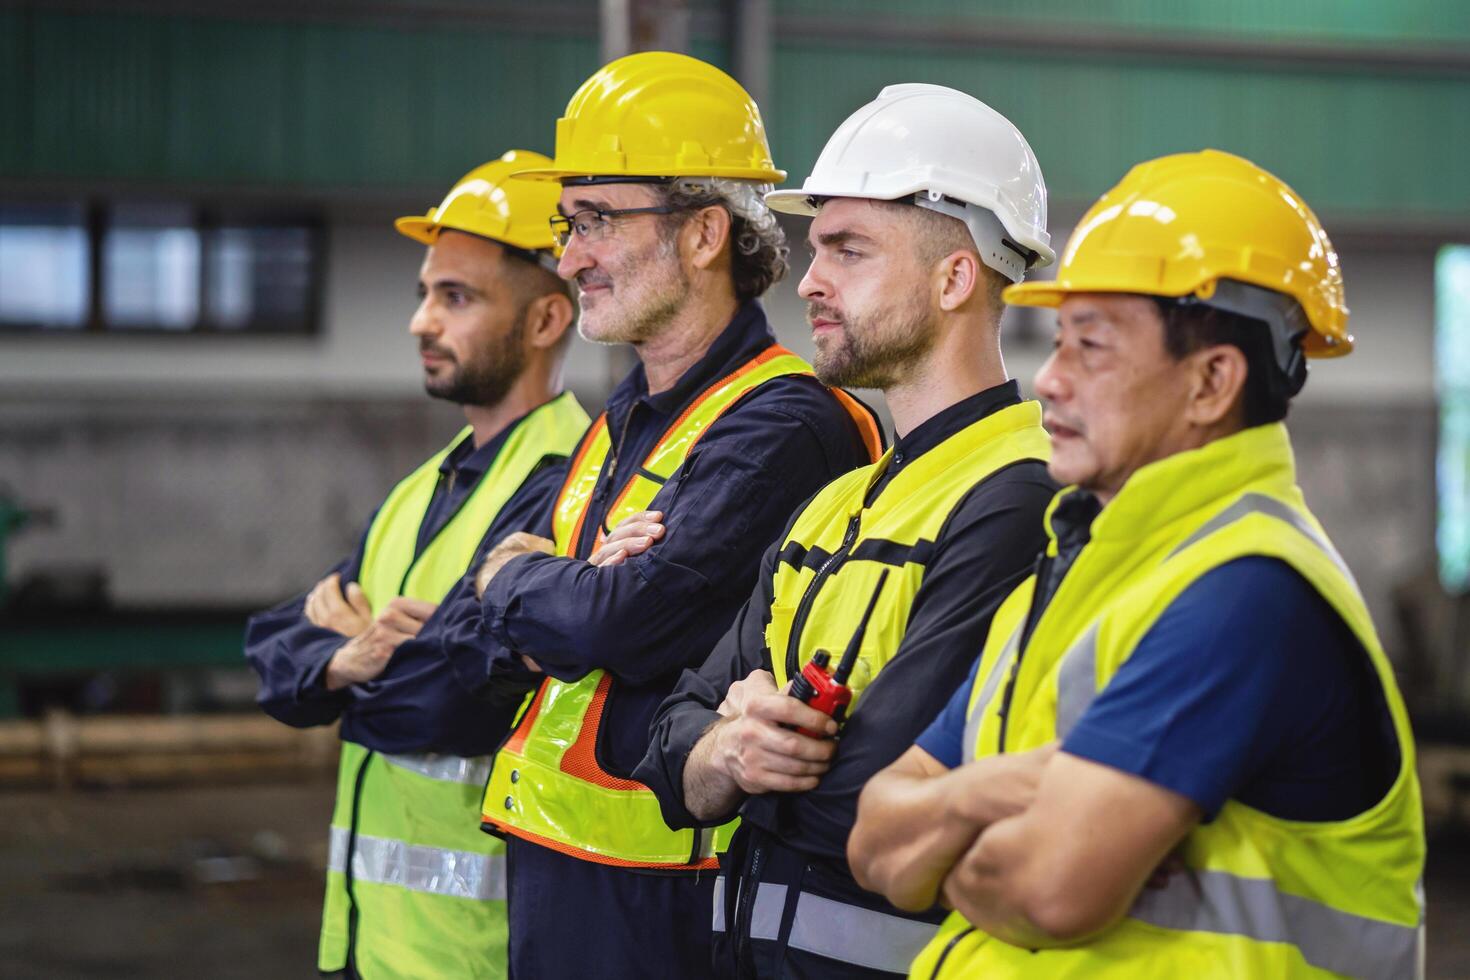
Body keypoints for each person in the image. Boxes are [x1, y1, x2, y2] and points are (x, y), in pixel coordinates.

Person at [848, 149, 1426, 979]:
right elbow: (872, 841)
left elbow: (1050, 891)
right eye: (1056, 342)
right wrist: (986, 796)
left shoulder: (1245, 593)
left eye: (1093, 346)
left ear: (1211, 382)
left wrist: (946, 842)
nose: (1049, 379)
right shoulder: (1071, 577)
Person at [436, 53, 882, 979]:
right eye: (571, 223)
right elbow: (467, 648)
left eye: (597, 220)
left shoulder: (783, 424)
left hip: (670, 898)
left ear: (705, 232)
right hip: (564, 881)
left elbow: (626, 624)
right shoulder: (622, 422)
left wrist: (520, 577)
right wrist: (549, 599)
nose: (569, 258)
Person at [633, 83, 1060, 978]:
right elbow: (667, 745)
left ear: (955, 278)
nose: (811, 279)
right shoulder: (836, 502)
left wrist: (733, 757)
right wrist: (722, 748)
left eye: (849, 250)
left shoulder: (1021, 497)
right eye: (814, 247)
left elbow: (875, 797)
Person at [244, 150, 589, 979]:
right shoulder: (420, 488)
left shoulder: (569, 484)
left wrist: (343, 673)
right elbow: (273, 649)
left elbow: (449, 702)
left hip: (476, 952)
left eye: (455, 297)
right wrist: (347, 659)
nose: (421, 322)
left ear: (545, 321)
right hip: (372, 942)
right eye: (424, 294)